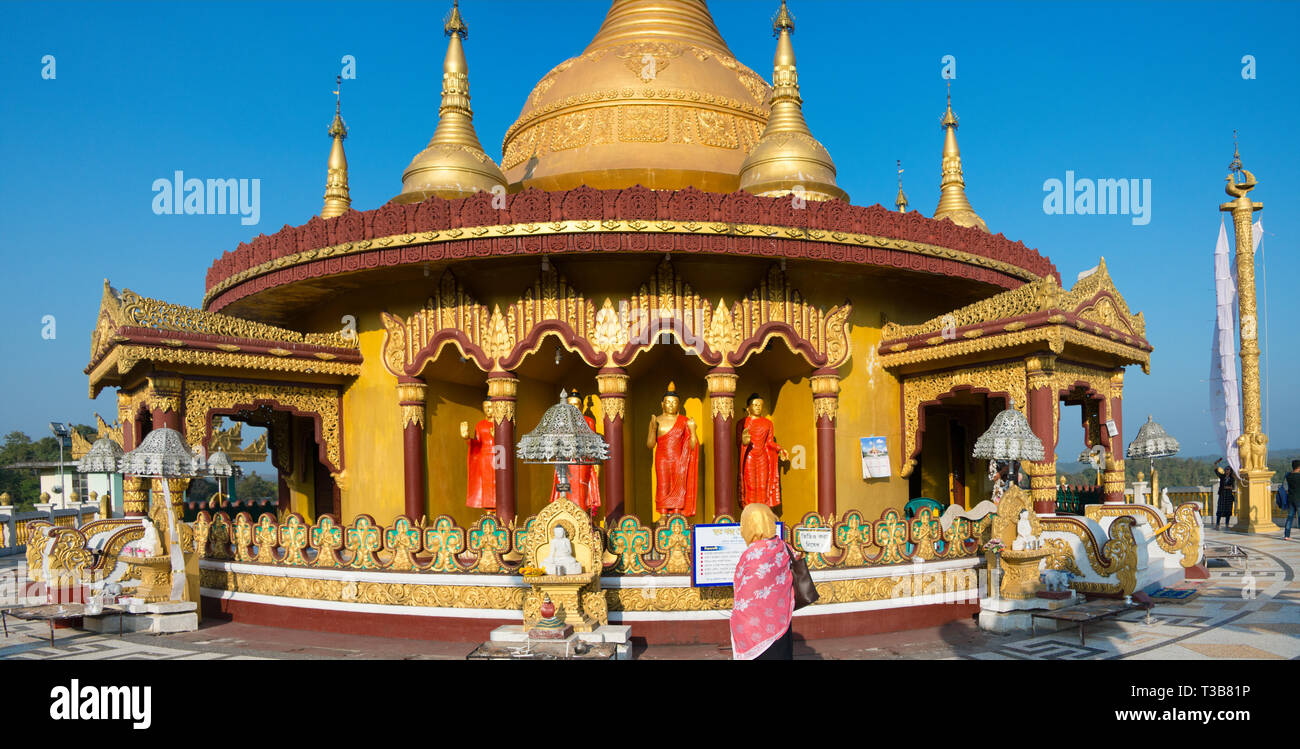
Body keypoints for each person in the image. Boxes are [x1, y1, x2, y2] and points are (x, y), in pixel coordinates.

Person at [731, 503, 794, 660]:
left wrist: (735, 619)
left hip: (756, 631)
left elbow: (745, 597)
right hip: (781, 622)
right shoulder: (783, 547)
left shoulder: (753, 555)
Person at [1213, 458, 1236, 530]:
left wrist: (1228, 487)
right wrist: (1216, 463)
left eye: (1228, 469)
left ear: (1230, 471)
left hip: (1228, 495)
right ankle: (1217, 524)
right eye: (1226, 469)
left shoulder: (1232, 478)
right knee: (1220, 509)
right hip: (1222, 495)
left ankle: (1227, 524)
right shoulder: (1222, 477)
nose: (1227, 470)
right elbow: (1216, 471)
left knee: (1228, 510)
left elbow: (1233, 487)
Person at [1285, 459, 1300, 541]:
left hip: (1290, 499)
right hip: (1298, 499)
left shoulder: (1288, 476)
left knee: (1290, 517)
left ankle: (1286, 535)